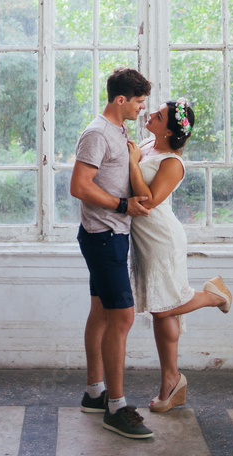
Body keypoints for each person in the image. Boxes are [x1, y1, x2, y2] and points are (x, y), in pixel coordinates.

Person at [127, 98, 232, 413]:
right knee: (164, 312)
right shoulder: (148, 145)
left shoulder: (172, 163)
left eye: (158, 116)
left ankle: (214, 296)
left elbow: (147, 202)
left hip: (162, 240)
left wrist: (132, 162)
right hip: (144, 240)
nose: (150, 114)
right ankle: (171, 381)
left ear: (170, 131)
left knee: (162, 308)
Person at [70, 67, 154, 440]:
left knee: (103, 313)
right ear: (121, 100)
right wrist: (122, 205)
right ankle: (116, 408)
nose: (142, 108)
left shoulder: (118, 130)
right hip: (102, 235)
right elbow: (79, 186)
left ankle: (94, 394)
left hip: (112, 235)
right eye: (139, 102)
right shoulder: (97, 133)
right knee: (123, 317)